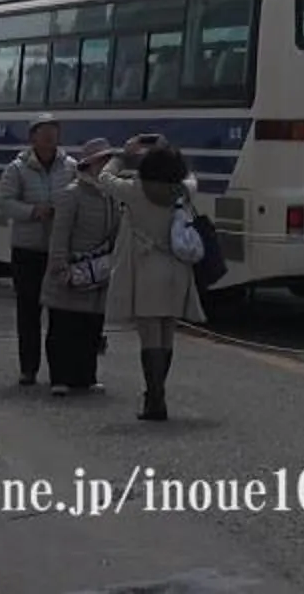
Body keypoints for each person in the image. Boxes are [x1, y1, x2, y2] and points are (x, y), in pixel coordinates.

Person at [104, 136, 209, 421]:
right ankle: (157, 395)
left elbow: (104, 178)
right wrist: (169, 148)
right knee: (167, 336)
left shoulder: (135, 191)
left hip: (148, 269)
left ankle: (155, 399)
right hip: (177, 270)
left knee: (149, 337)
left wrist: (124, 156)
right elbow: (191, 176)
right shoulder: (184, 191)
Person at [0, 116, 73, 387]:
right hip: (27, 249)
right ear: (33, 138)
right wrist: (32, 211)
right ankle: (29, 368)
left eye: (54, 132)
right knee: (28, 311)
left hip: (59, 250)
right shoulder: (17, 168)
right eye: (45, 132)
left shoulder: (70, 166)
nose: (51, 137)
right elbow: (4, 202)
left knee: (60, 313)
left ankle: (60, 370)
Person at [40, 139, 123, 394]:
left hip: (97, 270)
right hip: (73, 267)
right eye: (102, 161)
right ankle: (59, 378)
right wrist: (59, 265)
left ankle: (86, 375)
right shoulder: (71, 193)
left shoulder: (110, 195)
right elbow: (59, 234)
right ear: (90, 164)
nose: (107, 165)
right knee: (64, 325)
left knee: (91, 325)